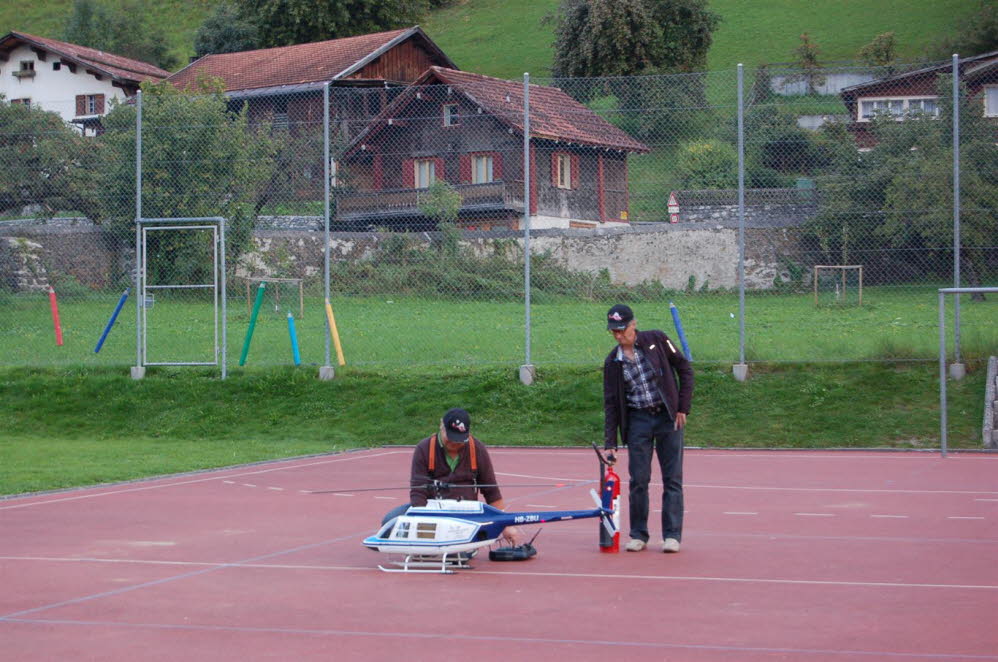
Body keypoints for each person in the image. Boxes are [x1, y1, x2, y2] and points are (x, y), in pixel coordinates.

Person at [602, 304, 694, 553]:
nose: (619, 336)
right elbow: (611, 404)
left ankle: (672, 536)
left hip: (667, 417)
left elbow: (685, 369)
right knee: (639, 480)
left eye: (622, 330)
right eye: (614, 332)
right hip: (638, 421)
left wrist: (682, 407)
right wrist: (610, 443)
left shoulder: (657, 339)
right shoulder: (613, 361)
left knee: (672, 478)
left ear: (634, 325)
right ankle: (639, 534)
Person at [383, 408, 523, 545]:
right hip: (432, 511)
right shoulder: (424, 448)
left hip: (464, 514)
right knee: (389, 523)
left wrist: (505, 525)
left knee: (459, 553)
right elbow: (418, 492)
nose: (455, 443)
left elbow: (491, 492)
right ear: (441, 426)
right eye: (450, 438)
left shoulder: (477, 449)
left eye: (459, 439)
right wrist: (424, 525)